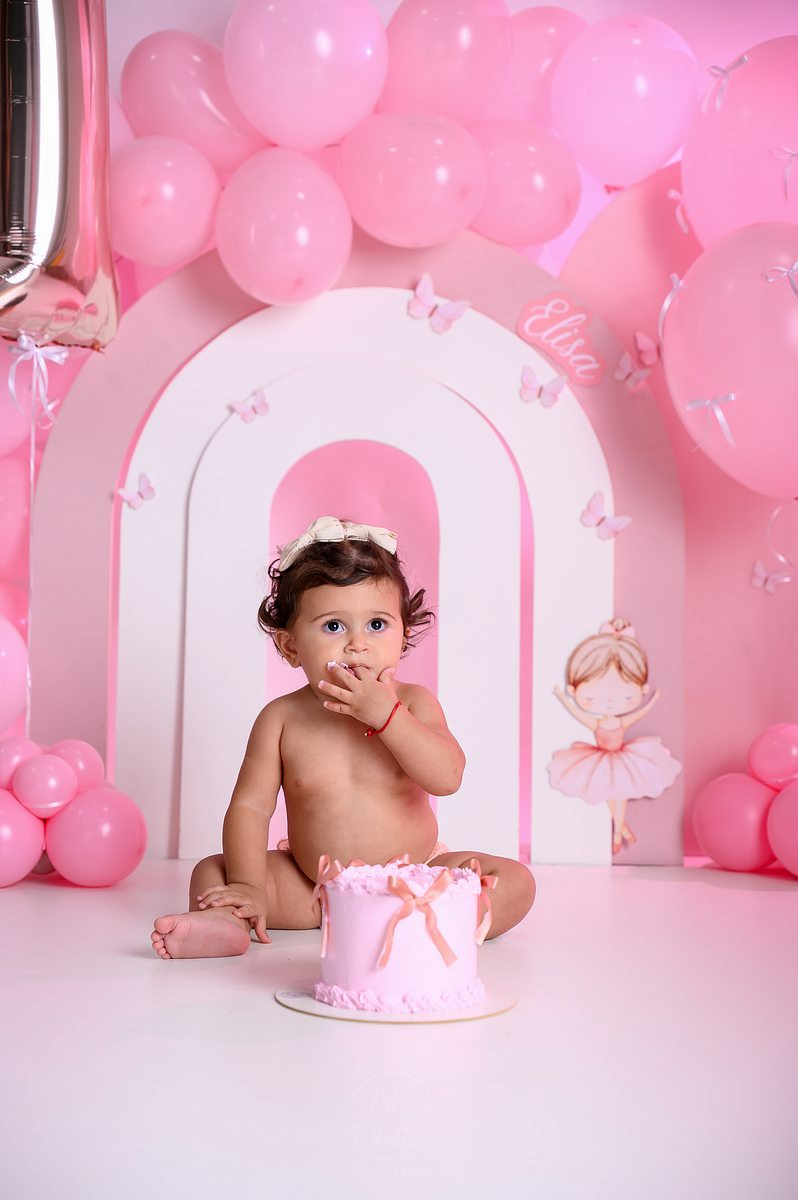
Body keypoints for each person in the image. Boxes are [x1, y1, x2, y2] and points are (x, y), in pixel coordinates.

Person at [152, 516, 536, 958]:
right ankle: (228, 923)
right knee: (212, 873)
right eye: (334, 626)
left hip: (412, 879)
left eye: (377, 625)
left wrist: (388, 716)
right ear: (290, 646)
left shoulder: (413, 703)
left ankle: (424, 923)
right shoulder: (281, 719)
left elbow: (447, 778)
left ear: (403, 635)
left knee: (516, 882)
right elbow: (250, 808)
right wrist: (249, 886)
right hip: (315, 890)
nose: (358, 644)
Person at [548, 618, 681, 854]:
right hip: (600, 758)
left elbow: (639, 713)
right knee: (611, 795)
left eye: (626, 694)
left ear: (641, 689)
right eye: (592, 694)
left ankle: (619, 833)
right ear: (574, 689)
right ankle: (621, 830)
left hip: (622, 758)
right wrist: (561, 697)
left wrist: (654, 700)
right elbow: (577, 712)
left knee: (619, 796)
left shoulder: (619, 721)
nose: (609, 700)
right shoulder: (598, 722)